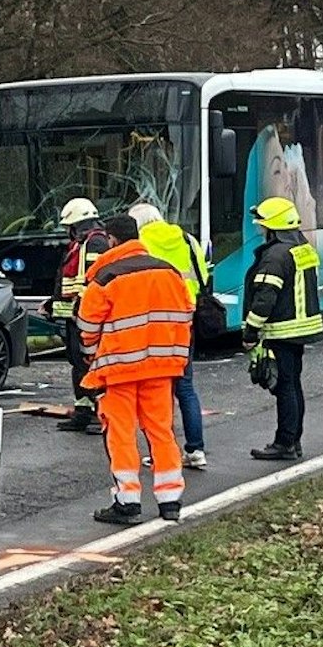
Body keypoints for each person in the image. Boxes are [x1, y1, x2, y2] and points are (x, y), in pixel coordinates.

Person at [77, 214, 194, 525]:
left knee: (121, 434)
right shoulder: (168, 271)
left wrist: (92, 358)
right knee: (161, 431)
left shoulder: (106, 277)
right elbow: (186, 313)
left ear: (112, 241)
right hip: (161, 367)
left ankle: (127, 501)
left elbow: (87, 326)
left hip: (119, 369)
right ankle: (170, 501)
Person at [242, 196, 323, 460]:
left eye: (262, 224)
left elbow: (265, 297)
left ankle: (285, 443)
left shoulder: (275, 255)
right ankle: (293, 440)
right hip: (300, 328)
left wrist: (250, 332)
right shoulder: (302, 247)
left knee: (285, 386)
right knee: (293, 384)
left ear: (273, 226)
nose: (260, 229)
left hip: (282, 330)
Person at [129, 202, 209, 469]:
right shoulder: (187, 239)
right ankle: (196, 450)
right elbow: (203, 276)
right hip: (185, 320)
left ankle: (160, 451)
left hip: (153, 324)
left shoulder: (139, 243)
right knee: (186, 386)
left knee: (157, 390)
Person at [50, 198, 114, 434]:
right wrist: (53, 303)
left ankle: (98, 414)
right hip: (75, 316)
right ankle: (83, 411)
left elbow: (93, 282)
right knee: (78, 365)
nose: (69, 232)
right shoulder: (82, 244)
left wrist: (84, 311)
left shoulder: (95, 244)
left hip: (86, 318)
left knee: (89, 365)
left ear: (80, 224)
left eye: (71, 227)